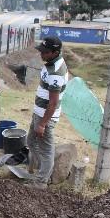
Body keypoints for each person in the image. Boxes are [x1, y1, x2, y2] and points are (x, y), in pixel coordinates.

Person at [26, 36, 68, 189]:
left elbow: (53, 102)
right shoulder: (50, 64)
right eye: (41, 51)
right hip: (39, 113)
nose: (41, 54)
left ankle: (41, 181)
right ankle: (43, 169)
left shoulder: (56, 72)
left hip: (45, 117)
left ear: (55, 52)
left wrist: (43, 124)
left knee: (46, 150)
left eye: (45, 52)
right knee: (30, 141)